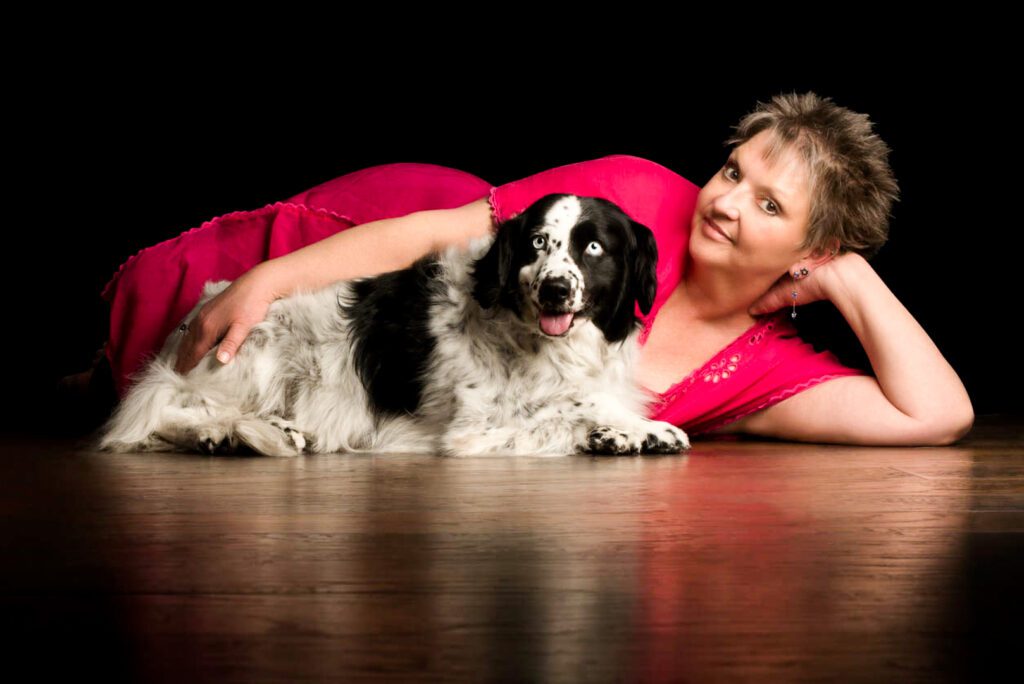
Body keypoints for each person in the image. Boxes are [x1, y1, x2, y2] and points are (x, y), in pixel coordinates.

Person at [76, 91, 974, 446]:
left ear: (811, 251)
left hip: (403, 392)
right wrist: (272, 282)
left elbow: (941, 413)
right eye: (735, 169)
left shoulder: (763, 366)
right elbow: (431, 235)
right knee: (169, 333)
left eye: (770, 206)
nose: (729, 203)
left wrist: (850, 277)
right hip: (391, 248)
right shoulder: (631, 190)